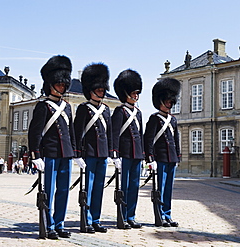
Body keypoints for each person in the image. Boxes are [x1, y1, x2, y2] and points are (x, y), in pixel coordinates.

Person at [28, 55, 81, 239]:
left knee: (64, 191)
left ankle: (59, 223)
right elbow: (34, 133)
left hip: (65, 154)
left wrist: (76, 153)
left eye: (63, 84)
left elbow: (71, 132)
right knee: (48, 192)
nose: (62, 87)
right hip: (49, 154)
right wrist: (35, 155)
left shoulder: (67, 107)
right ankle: (48, 225)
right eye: (59, 84)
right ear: (50, 84)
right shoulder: (43, 106)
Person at [74, 62, 113, 234]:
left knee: (99, 188)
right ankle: (87, 219)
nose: (102, 92)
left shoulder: (106, 110)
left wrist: (112, 153)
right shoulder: (83, 109)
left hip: (102, 154)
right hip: (89, 153)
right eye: (98, 89)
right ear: (91, 90)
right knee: (88, 188)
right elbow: (77, 132)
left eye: (103, 89)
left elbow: (110, 133)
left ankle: (96, 219)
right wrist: (77, 154)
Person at [144, 78, 181, 227]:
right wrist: (150, 158)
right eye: (167, 101)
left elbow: (176, 140)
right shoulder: (154, 119)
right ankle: (160, 215)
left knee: (168, 189)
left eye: (171, 101)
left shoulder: (173, 120)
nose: (170, 104)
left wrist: (177, 157)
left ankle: (167, 214)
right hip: (159, 158)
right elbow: (148, 139)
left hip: (171, 158)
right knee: (160, 188)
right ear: (160, 101)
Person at [111, 69, 144, 229]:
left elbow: (141, 135)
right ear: (126, 93)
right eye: (133, 93)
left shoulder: (138, 113)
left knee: (134, 186)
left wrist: (144, 155)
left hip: (136, 154)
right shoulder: (120, 111)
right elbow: (115, 134)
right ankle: (122, 216)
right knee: (124, 187)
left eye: (137, 93)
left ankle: (131, 215)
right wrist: (115, 154)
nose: (136, 96)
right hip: (124, 154)